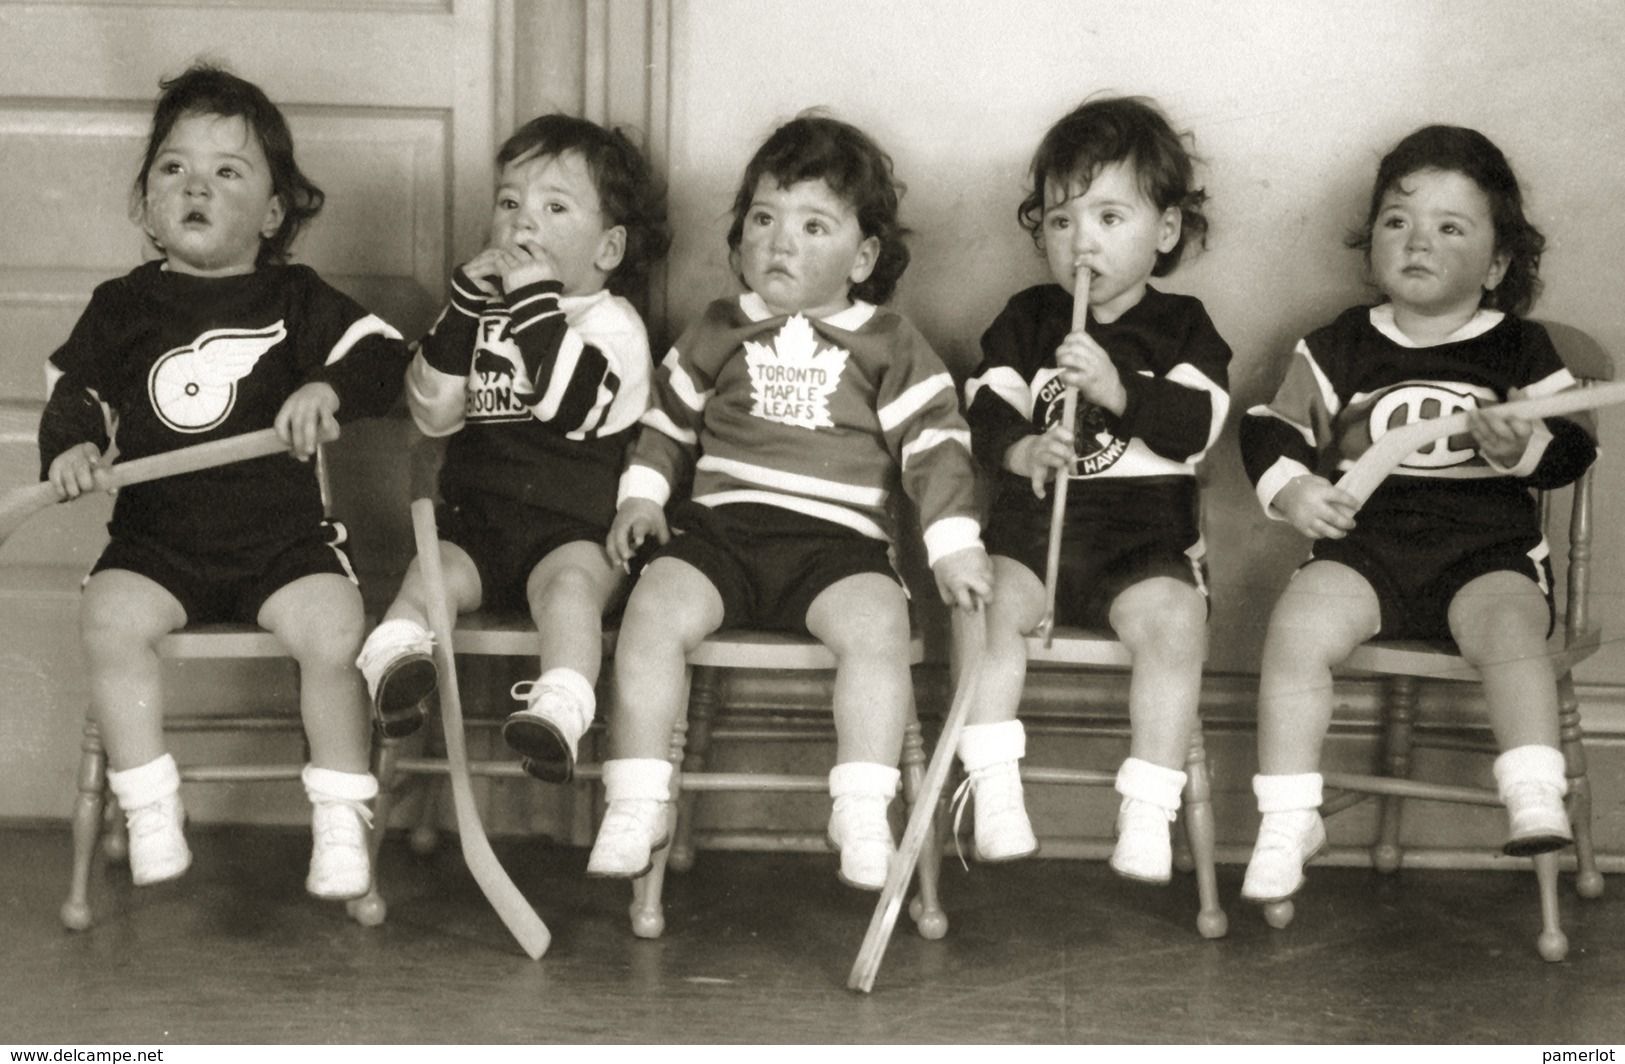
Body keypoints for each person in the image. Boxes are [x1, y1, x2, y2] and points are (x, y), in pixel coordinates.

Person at [587, 114, 992, 889]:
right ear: (739, 236)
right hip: (720, 531)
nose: (779, 242)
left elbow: (935, 447)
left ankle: (863, 806)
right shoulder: (719, 326)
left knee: (878, 628)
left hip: (836, 545)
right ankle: (638, 796)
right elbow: (666, 423)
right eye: (764, 219)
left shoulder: (887, 341)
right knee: (651, 610)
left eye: (813, 226)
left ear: (863, 255)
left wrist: (952, 545)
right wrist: (642, 497)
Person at [39, 65, 410, 899]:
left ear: (274, 213)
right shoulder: (123, 305)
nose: (195, 185)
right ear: (143, 203)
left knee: (333, 628)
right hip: (157, 543)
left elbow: (383, 357)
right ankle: (149, 802)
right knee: (109, 617)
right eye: (173, 168)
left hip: (282, 546)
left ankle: (340, 818)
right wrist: (69, 450)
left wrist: (326, 388)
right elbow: (78, 394)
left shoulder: (294, 296)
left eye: (227, 171)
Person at [1237, 125, 1596, 904]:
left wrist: (1524, 445)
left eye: (1449, 227)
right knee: (1295, 627)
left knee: (1510, 631)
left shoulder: (1517, 351)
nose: (1417, 241)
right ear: (1370, 242)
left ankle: (1532, 786)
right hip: (1365, 553)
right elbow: (1269, 427)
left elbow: (1572, 450)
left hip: (1486, 554)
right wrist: (1293, 488)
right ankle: (1288, 814)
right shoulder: (1338, 347)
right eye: (1397, 222)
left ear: (1498, 262)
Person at [960, 97, 1231, 881]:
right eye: (1058, 221)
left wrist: (1117, 389)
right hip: (1031, 535)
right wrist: (1018, 451)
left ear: (1167, 231)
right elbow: (982, 406)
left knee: (1177, 623)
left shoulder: (1183, 327)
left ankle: (1148, 804)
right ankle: (994, 783)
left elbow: (1196, 426)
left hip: (1142, 545)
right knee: (983, 611)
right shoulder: (1027, 317)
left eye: (1110, 217)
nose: (1082, 241)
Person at [353, 114, 667, 784]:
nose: (524, 224)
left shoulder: (613, 326)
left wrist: (532, 306)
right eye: (509, 203)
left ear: (608, 249)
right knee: (429, 575)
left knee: (570, 595)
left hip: (573, 532)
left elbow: (573, 406)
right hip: (479, 526)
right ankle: (396, 663)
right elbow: (431, 411)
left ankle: (559, 706)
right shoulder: (477, 312)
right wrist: (464, 308)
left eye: (554, 207)